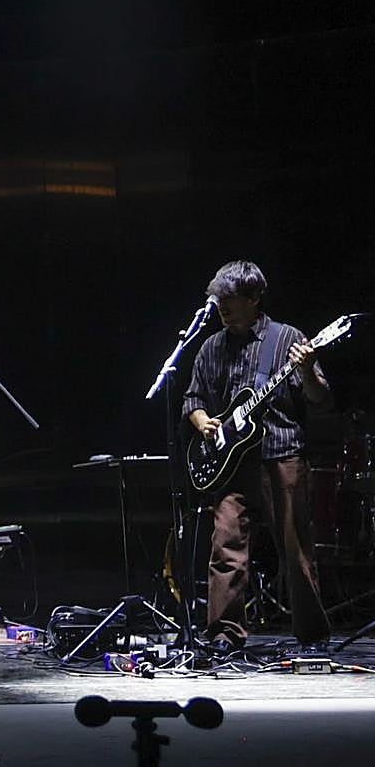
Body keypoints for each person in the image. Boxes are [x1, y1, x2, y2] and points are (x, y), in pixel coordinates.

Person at [183, 260, 331, 655]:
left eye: (230, 300)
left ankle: (313, 637)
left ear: (254, 299)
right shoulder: (211, 347)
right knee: (226, 547)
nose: (222, 308)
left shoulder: (287, 340)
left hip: (281, 456)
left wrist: (309, 370)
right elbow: (193, 399)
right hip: (232, 465)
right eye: (218, 300)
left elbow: (319, 398)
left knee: (295, 549)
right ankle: (223, 636)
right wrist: (203, 423)